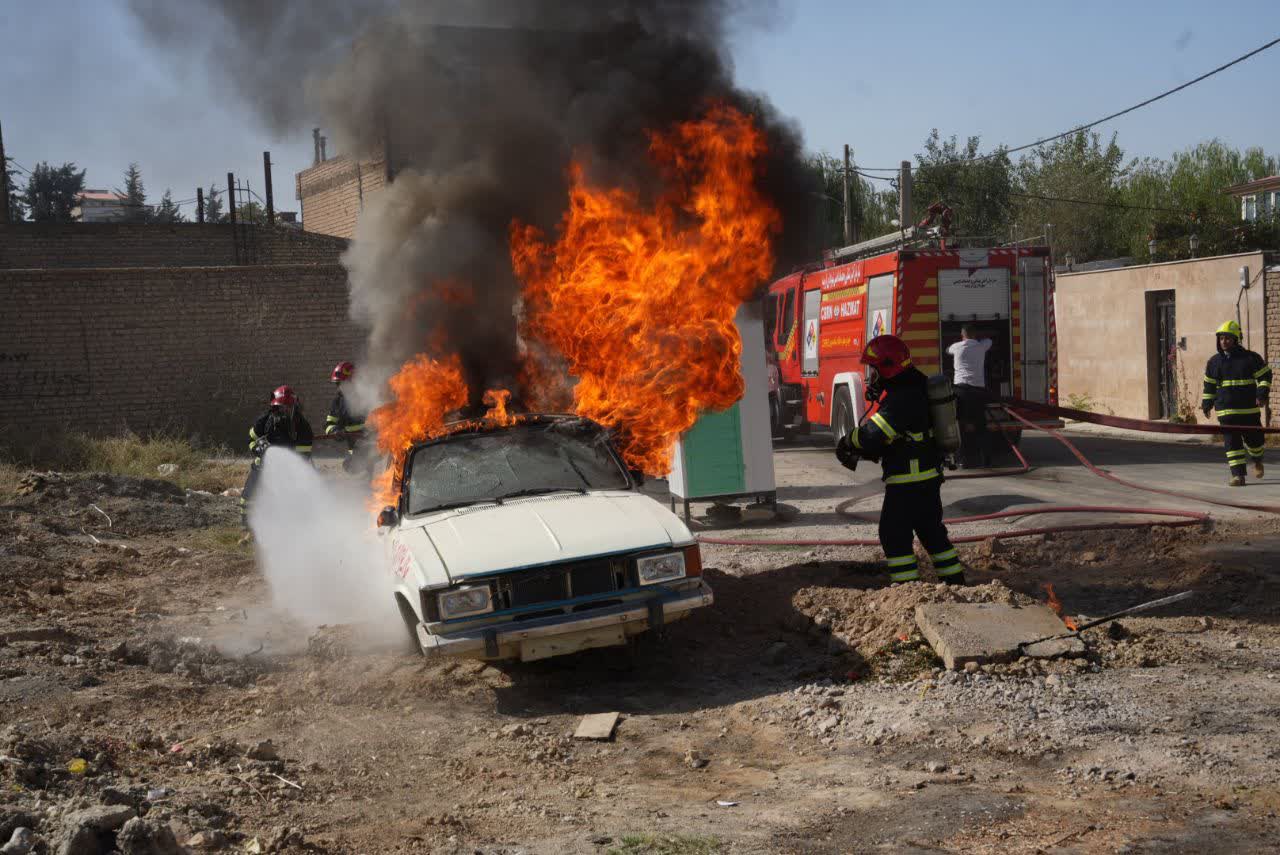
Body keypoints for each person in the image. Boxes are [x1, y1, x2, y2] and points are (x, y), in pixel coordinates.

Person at [836, 335, 966, 585]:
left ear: (886, 368)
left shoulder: (901, 397)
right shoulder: (916, 386)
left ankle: (907, 588)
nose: (870, 376)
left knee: (893, 534)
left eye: (873, 370)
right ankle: (955, 582)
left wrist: (848, 441)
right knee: (932, 533)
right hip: (926, 477)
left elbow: (874, 434)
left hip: (909, 480)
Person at [1202, 320, 1270, 486]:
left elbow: (1264, 377)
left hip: (1248, 411)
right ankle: (1238, 476)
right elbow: (1209, 385)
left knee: (1255, 442)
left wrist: (1261, 394)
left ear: (1236, 339)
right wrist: (1207, 403)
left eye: (1227, 338)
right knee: (1232, 445)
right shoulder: (1214, 362)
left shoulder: (1251, 358)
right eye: (1221, 338)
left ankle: (1257, 458)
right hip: (1226, 412)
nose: (1224, 341)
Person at [240, 385, 314, 528]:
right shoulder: (264, 421)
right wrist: (257, 448)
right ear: (274, 407)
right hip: (262, 465)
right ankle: (247, 524)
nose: (284, 411)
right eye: (280, 408)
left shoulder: (302, 427)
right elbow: (251, 439)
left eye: (287, 408)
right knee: (249, 497)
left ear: (294, 407)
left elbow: (304, 455)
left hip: (289, 470)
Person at [946, 324, 993, 468]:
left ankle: (962, 460)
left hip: (961, 390)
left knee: (960, 425)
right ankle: (986, 461)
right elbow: (990, 341)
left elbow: (947, 350)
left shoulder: (956, 347)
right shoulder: (982, 346)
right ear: (975, 334)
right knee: (981, 426)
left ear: (962, 335)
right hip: (978, 392)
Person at [326, 360, 367, 471]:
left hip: (372, 452)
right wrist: (335, 431)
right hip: (354, 452)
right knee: (350, 469)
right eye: (337, 384)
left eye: (341, 383)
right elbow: (329, 424)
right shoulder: (338, 401)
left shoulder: (367, 397)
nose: (339, 387)